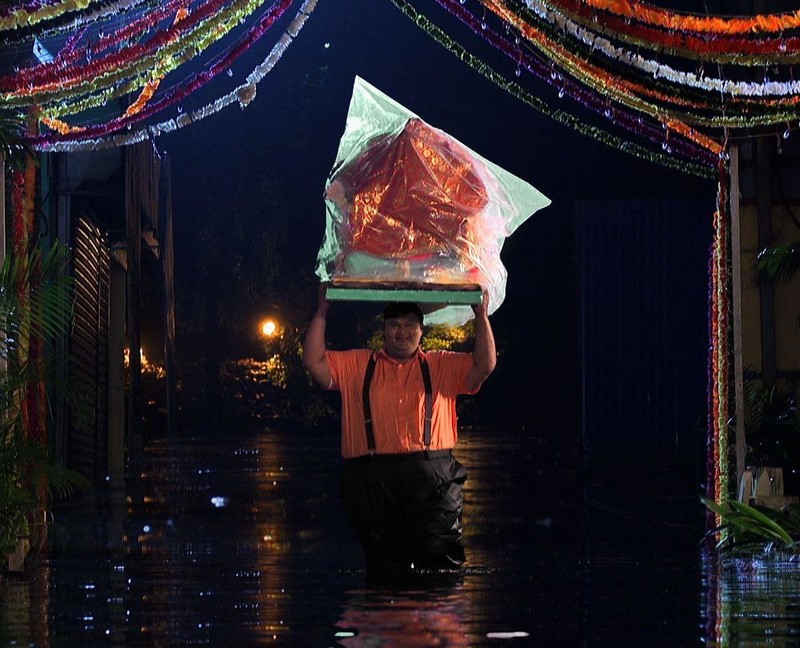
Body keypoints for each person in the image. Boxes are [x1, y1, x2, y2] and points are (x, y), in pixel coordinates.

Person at [302, 286, 496, 575]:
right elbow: (313, 362)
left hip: (434, 479)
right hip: (372, 480)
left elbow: (485, 365)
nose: (401, 332)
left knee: (441, 572)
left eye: (409, 326)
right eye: (394, 325)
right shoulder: (358, 364)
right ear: (384, 330)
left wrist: (481, 314)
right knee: (384, 573)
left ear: (421, 332)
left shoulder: (441, 364)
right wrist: (322, 311)